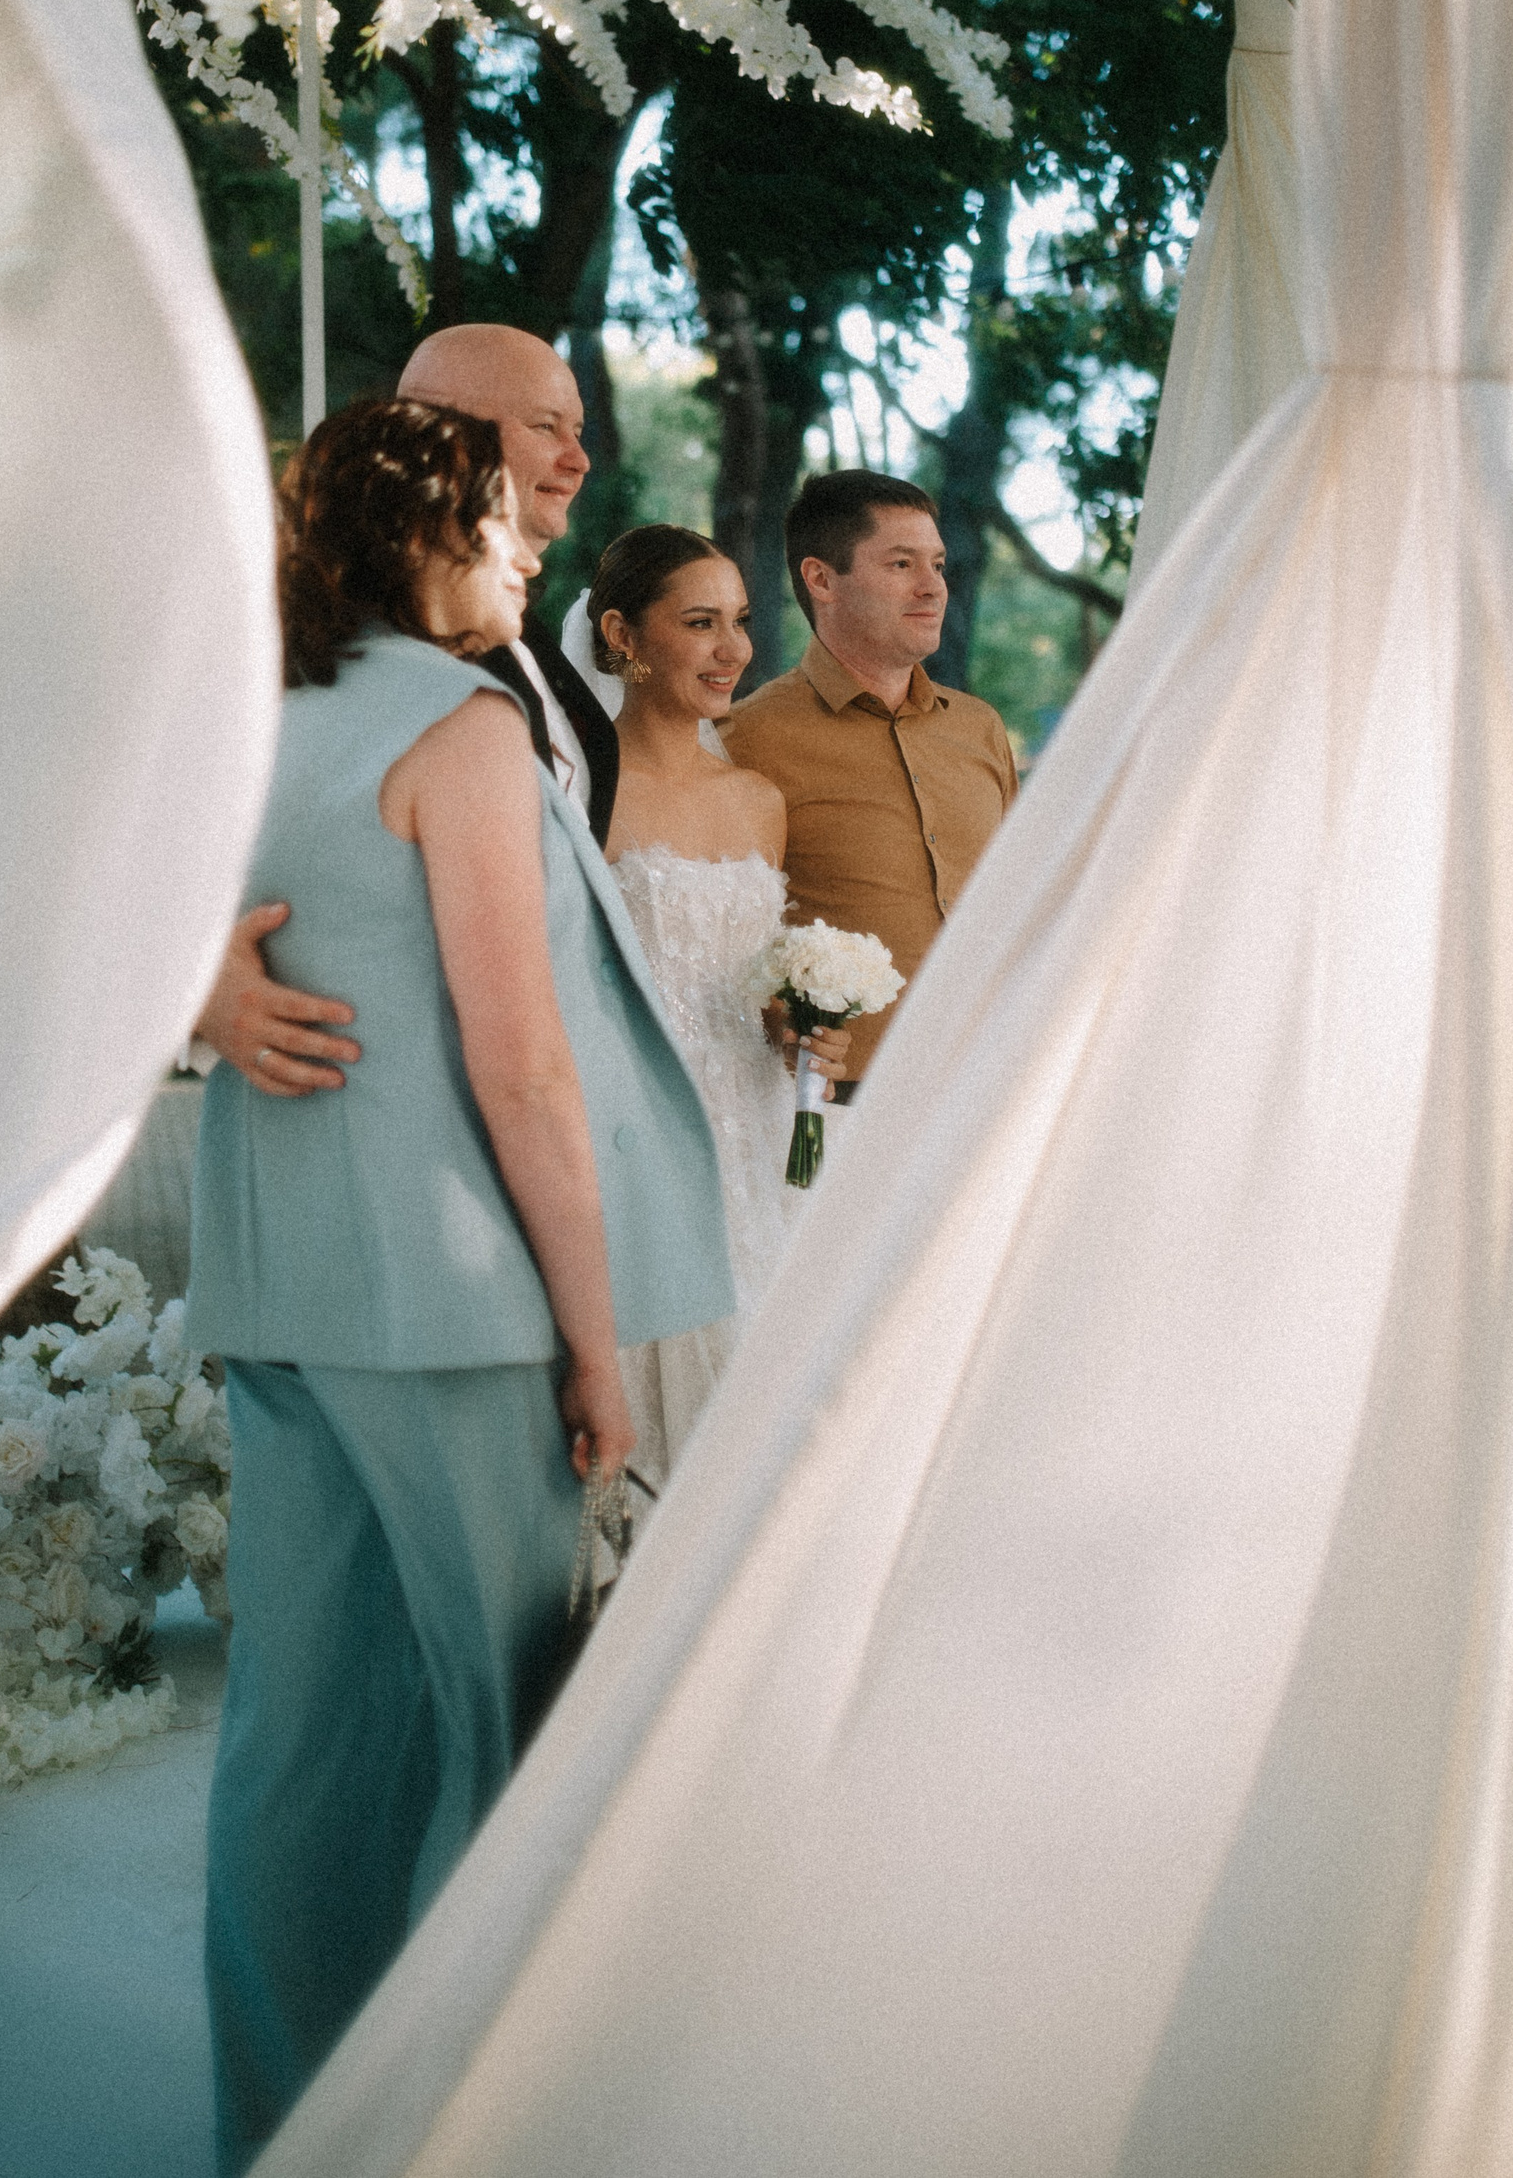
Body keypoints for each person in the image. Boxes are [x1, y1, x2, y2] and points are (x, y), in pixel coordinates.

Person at [188, 401, 731, 2174]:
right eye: (506, 520)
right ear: (433, 538)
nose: (533, 548)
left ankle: (281, 2136)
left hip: (280, 1293)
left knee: (299, 1756)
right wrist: (596, 1341)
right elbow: (526, 1071)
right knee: (521, 1742)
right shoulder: (462, 726)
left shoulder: (245, 716)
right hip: (457, 1301)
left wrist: (196, 987)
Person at [194, 322, 617, 1094]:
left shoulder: (545, 657)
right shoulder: (291, 645)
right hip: (371, 1096)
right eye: (546, 426)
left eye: (579, 431)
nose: (578, 459)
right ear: (440, 429)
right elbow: (149, 834)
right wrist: (196, 983)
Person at [587, 527, 850, 1476]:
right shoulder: (581, 793)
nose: (733, 647)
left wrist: (799, 1028)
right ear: (623, 635)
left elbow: (753, 976)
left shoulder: (758, 799)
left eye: (738, 621)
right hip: (638, 1131)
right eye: (700, 623)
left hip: (758, 1131)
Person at [721, 469, 1018, 1095]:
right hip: (836, 1106)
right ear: (822, 580)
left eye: (937, 564)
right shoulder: (745, 740)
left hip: (991, 1086)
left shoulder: (982, 729)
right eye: (902, 564)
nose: (933, 587)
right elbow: (721, 946)